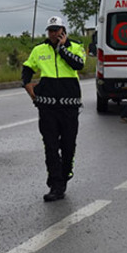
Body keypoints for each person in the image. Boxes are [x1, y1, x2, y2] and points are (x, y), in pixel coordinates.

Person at [22, 16, 85, 202]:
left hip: (69, 106)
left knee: (68, 145)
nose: (53, 33)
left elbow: (78, 64)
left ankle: (64, 175)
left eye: (57, 30)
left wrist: (62, 48)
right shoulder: (39, 49)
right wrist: (28, 87)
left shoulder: (74, 47)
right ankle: (56, 184)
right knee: (50, 146)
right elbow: (27, 69)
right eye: (50, 30)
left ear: (63, 31)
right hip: (47, 106)